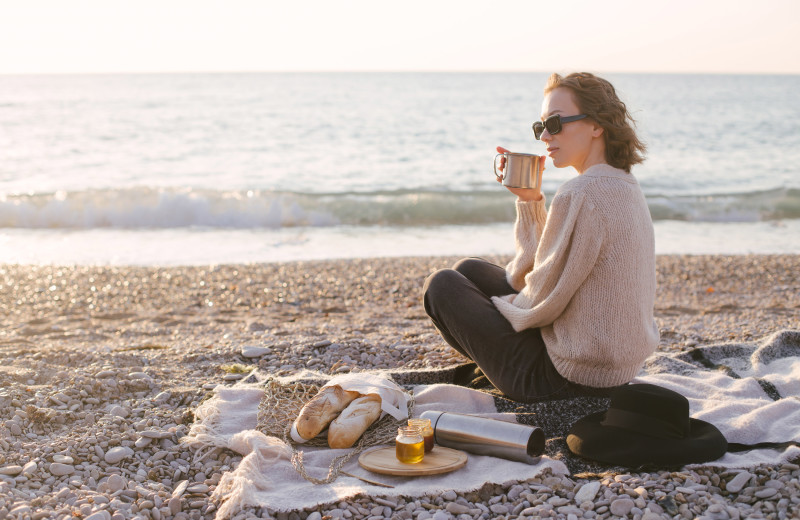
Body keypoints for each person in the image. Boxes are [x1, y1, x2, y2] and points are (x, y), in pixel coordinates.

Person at [423, 72, 659, 403]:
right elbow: (542, 278)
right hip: (612, 368)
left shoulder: (581, 193)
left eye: (556, 124)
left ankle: (500, 372)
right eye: (541, 127)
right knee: (469, 270)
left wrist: (490, 309)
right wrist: (530, 199)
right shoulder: (623, 184)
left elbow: (538, 300)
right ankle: (495, 361)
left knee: (442, 286)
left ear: (596, 125)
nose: (545, 136)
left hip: (567, 379)